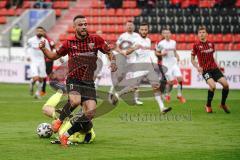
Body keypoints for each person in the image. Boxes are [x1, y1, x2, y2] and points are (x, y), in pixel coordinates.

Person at [39, 15, 117, 146]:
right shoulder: (69, 43)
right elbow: (53, 56)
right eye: (80, 25)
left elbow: (110, 52)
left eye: (85, 24)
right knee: (75, 101)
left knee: (90, 113)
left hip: (89, 82)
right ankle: (59, 121)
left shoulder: (95, 39)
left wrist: (113, 62)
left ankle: (65, 136)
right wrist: (43, 49)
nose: (84, 27)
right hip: (73, 79)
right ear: (74, 27)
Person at [109, 22, 172, 113]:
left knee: (156, 87)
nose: (144, 31)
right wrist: (134, 48)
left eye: (145, 29)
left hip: (149, 67)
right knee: (133, 87)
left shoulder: (148, 40)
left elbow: (147, 54)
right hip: (139, 67)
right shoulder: (136, 40)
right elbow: (127, 52)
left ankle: (162, 108)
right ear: (139, 30)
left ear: (147, 30)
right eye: (142, 29)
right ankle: (117, 95)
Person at [191, 26, 230, 113]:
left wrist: (218, 66)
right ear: (198, 35)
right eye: (200, 33)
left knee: (226, 85)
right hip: (205, 70)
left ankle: (223, 104)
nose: (202, 34)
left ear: (207, 34)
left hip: (214, 68)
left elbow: (212, 57)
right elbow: (192, 59)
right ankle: (208, 105)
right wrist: (197, 67)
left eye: (203, 32)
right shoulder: (196, 45)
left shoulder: (211, 43)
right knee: (213, 86)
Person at [110, 20, 143, 105]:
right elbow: (116, 47)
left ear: (134, 26)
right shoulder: (123, 36)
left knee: (135, 82)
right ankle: (113, 92)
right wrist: (122, 52)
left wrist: (129, 51)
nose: (129, 27)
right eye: (128, 25)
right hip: (123, 59)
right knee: (121, 77)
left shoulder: (137, 36)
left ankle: (135, 99)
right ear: (126, 26)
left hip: (134, 60)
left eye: (131, 25)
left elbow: (137, 46)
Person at [156, 28, 186, 103]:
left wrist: (177, 56)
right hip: (166, 66)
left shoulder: (174, 42)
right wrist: (162, 54)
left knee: (180, 79)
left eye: (168, 33)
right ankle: (166, 94)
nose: (167, 34)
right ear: (163, 35)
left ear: (170, 34)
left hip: (174, 64)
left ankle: (179, 95)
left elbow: (174, 51)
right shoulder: (161, 43)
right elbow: (157, 53)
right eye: (165, 33)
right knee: (171, 83)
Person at [26, 26, 50, 99]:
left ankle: (37, 94)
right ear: (35, 32)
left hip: (41, 61)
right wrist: (27, 56)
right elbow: (26, 48)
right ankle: (31, 83)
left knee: (41, 78)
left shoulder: (45, 41)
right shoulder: (31, 40)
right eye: (38, 31)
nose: (39, 32)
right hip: (33, 61)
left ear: (43, 32)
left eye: (41, 31)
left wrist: (48, 56)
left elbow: (48, 50)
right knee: (36, 78)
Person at [41, 28, 56, 96]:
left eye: (43, 31)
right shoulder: (40, 40)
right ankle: (43, 90)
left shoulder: (48, 39)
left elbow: (53, 46)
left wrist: (51, 54)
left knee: (47, 74)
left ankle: (43, 91)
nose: (41, 33)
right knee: (47, 74)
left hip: (48, 60)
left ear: (45, 32)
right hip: (42, 60)